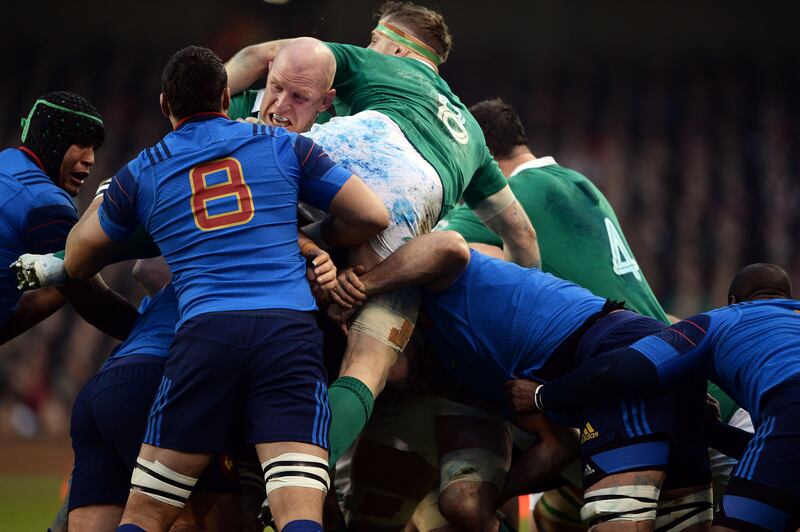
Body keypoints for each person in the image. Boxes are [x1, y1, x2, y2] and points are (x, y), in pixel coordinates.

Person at [61, 45, 388, 532]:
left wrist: (119, 200)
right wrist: (302, 240)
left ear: (164, 106)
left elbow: (75, 259)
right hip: (288, 335)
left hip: (205, 337)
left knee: (149, 512)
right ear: (225, 96)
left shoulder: (143, 170)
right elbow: (372, 214)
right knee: (297, 511)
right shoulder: (284, 146)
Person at [225, 0, 539, 467]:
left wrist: (200, 117)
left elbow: (262, 55)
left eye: (373, 40)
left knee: (229, 220)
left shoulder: (381, 64)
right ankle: (305, 472)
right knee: (368, 367)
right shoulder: (472, 134)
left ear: (396, 46)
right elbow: (525, 240)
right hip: (403, 226)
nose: (366, 46)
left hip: (350, 163)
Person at [433, 99, 713, 531]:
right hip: (676, 375)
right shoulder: (578, 183)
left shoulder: (515, 196)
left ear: (480, 159)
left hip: (619, 384)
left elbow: (431, 247)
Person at [331, 230, 710, 531]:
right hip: (595, 378)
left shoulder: (429, 285)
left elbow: (448, 245)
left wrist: (362, 287)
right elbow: (558, 443)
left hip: (613, 348)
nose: (383, 363)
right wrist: (495, 496)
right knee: (463, 505)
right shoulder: (461, 370)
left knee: (625, 517)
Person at [524, 263, 799, 530]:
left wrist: (543, 395)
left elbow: (624, 367)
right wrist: (711, 429)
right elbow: (777, 455)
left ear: (732, 300)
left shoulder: (723, 319)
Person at [67, 258, 240, 532]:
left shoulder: (166, 292)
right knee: (206, 519)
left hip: (103, 387)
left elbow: (144, 270)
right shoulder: (245, 279)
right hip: (163, 379)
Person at [0, 91, 138, 344]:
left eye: (94, 149)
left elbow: (66, 281)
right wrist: (152, 335)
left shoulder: (7, 161)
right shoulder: (45, 204)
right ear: (51, 140)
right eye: (81, 144)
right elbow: (94, 302)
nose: (91, 159)